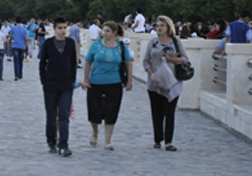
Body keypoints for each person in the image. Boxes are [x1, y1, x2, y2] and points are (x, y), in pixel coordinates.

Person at [80, 21, 133, 151]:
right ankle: (95, 132)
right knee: (94, 110)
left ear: (114, 33)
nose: (105, 33)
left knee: (111, 111)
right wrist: (86, 79)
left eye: (108, 31)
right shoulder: (96, 44)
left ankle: (107, 140)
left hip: (114, 82)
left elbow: (128, 63)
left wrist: (129, 81)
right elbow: (88, 61)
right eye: (104, 30)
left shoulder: (120, 46)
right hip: (96, 82)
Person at [143, 15, 189, 152]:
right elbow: (146, 61)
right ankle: (157, 139)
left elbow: (185, 59)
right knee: (156, 112)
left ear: (169, 27)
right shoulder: (153, 42)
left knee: (170, 112)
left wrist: (171, 59)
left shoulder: (175, 42)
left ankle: (168, 141)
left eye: (162, 25)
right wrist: (152, 74)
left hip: (172, 82)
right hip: (155, 83)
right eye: (157, 25)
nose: (159, 28)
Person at [39, 18, 77, 157]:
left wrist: (72, 80)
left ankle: (64, 144)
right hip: (50, 84)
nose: (62, 30)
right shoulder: (48, 44)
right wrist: (43, 80)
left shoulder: (71, 43)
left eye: (64, 28)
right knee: (50, 115)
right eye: (60, 28)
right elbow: (42, 62)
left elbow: (73, 63)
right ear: (54, 29)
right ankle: (51, 140)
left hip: (66, 84)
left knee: (64, 115)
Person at [9, 17, 30, 81]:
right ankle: (20, 74)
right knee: (21, 61)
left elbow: (10, 38)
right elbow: (26, 39)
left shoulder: (13, 29)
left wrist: (9, 47)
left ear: (15, 21)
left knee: (16, 61)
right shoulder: (24, 29)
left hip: (15, 46)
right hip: (22, 47)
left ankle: (16, 75)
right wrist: (28, 49)